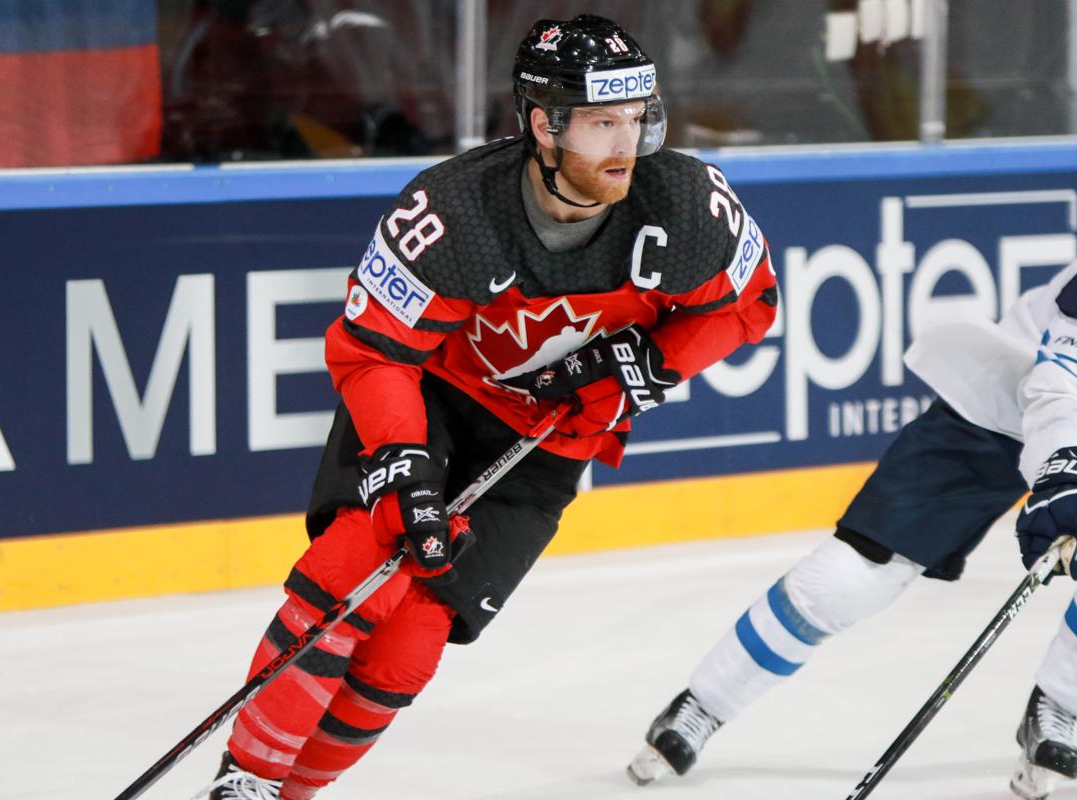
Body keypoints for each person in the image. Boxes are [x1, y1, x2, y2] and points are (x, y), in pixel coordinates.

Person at [196, 14, 778, 800]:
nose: (627, 144)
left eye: (637, 117)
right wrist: (402, 462)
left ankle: (290, 793)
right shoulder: (457, 211)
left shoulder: (684, 204)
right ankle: (247, 778)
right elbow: (374, 350)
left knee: (413, 639)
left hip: (549, 444)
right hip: (434, 402)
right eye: (603, 123)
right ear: (544, 125)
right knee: (357, 568)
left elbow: (750, 303)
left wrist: (650, 361)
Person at [626, 260, 1077, 799]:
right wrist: (1062, 470)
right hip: (1012, 396)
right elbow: (1058, 385)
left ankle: (1060, 706)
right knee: (851, 575)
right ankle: (707, 701)